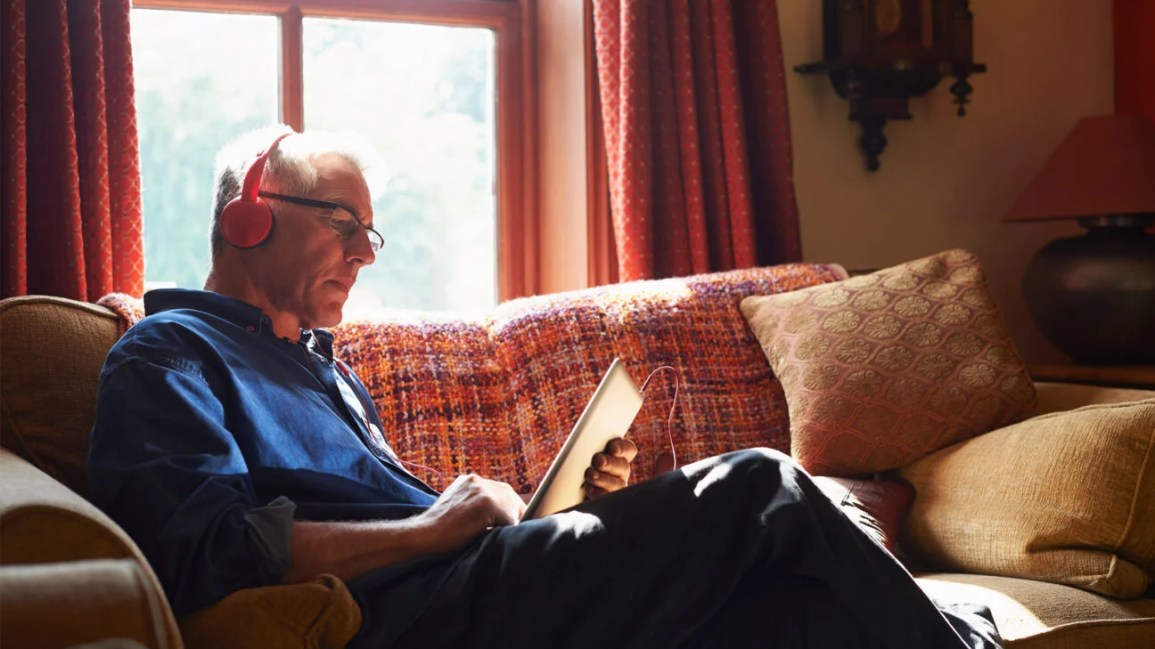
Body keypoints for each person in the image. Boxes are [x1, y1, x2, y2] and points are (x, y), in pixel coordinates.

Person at [89, 126, 1003, 648]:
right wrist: (431, 527)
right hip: (413, 615)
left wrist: (547, 509)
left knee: (790, 612)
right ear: (247, 218)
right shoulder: (168, 354)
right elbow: (200, 549)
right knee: (758, 483)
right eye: (342, 223)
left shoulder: (323, 366)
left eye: (373, 232)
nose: (365, 253)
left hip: (474, 577)